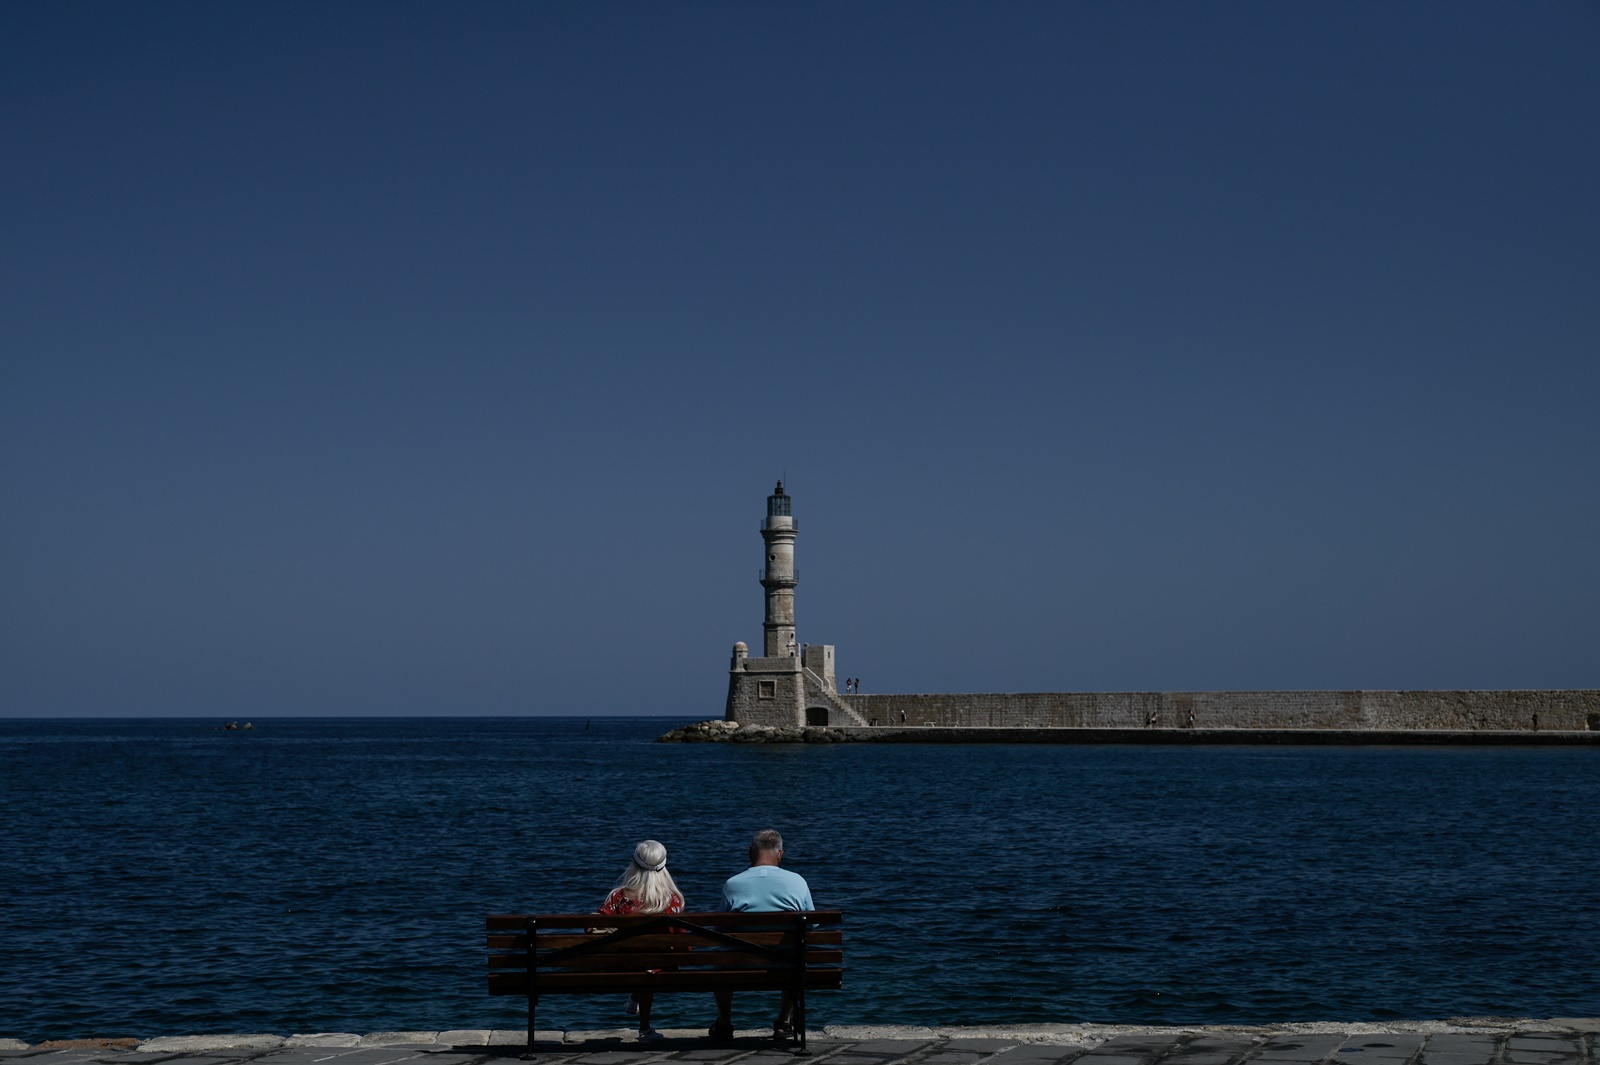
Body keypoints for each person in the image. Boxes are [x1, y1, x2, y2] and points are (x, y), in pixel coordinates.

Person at [710, 829, 813, 1043]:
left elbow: (720, 928)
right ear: (780, 854)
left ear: (750, 852)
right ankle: (783, 1022)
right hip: (787, 963)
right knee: (796, 955)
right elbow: (812, 924)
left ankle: (725, 1023)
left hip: (741, 964)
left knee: (719, 961)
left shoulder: (733, 884)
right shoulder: (798, 882)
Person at [597, 840, 683, 1044]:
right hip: (660, 966)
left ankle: (637, 1000)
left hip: (622, 965)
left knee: (643, 961)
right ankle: (644, 1028)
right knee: (651, 964)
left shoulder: (617, 897)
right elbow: (680, 940)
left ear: (634, 864)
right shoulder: (672, 900)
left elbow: (595, 927)